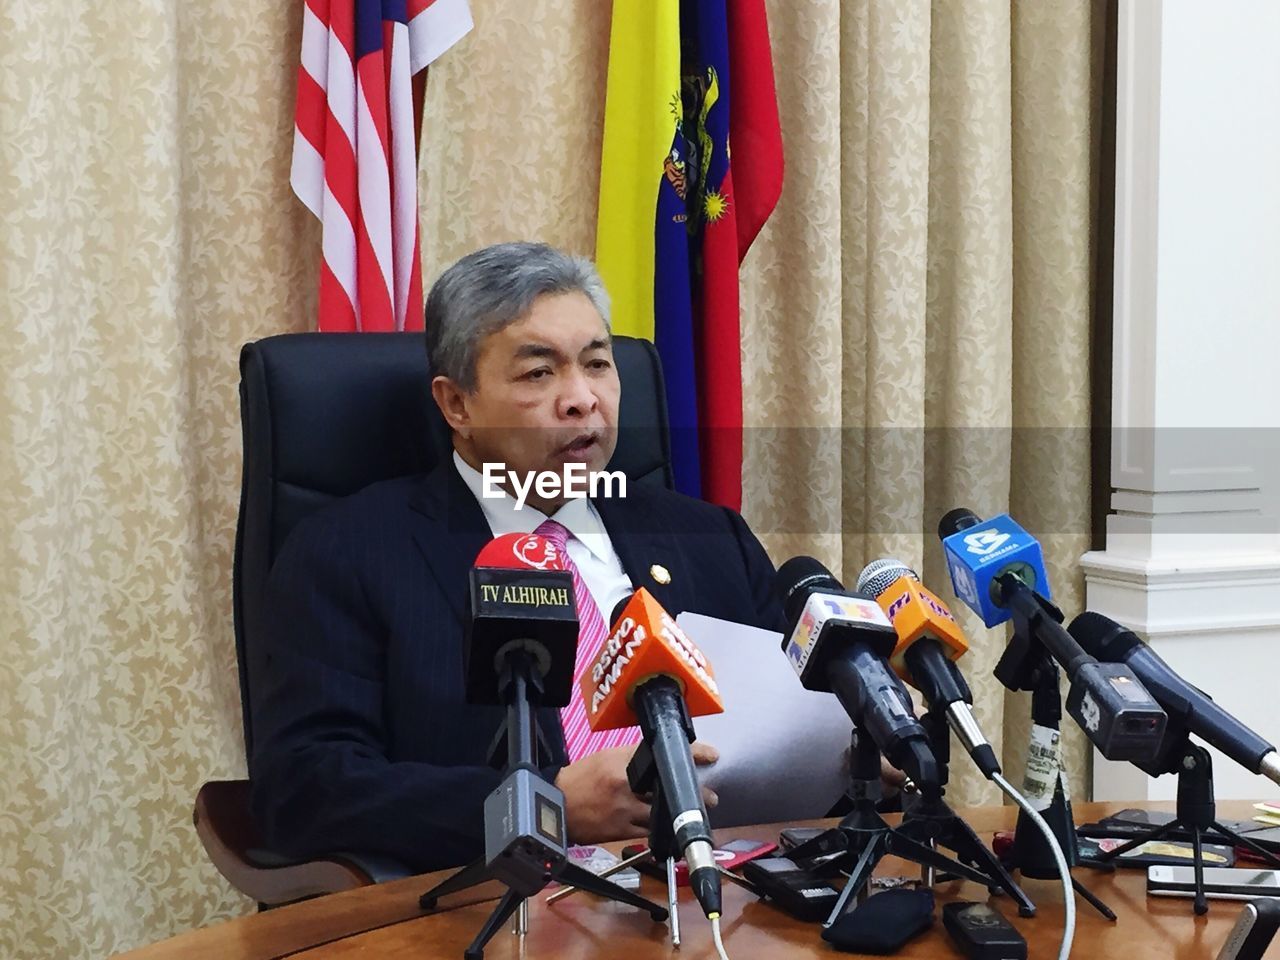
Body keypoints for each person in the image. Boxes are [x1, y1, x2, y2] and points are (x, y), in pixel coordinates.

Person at [249, 242, 785, 874]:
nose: (583, 399)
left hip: (728, 896)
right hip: (500, 914)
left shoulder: (710, 538)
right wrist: (543, 806)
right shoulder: (347, 553)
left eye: (598, 364)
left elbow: (789, 713)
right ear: (457, 405)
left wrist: (855, 753)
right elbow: (306, 788)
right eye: (539, 373)